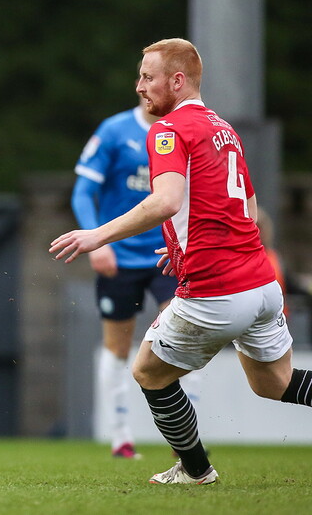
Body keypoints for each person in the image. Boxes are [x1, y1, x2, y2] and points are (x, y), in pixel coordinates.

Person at [51, 38, 312, 485]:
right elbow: (247, 209)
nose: (139, 86)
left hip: (218, 291)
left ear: (177, 80)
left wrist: (98, 234)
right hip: (262, 285)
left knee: (148, 372)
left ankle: (195, 471)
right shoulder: (224, 129)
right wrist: (188, 247)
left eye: (147, 77)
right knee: (274, 383)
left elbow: (165, 202)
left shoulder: (168, 130)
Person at [71, 93, 202, 459]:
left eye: (151, 78)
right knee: (117, 346)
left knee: (185, 340)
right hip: (120, 258)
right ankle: (121, 438)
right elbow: (83, 191)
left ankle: (186, 441)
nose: (146, 87)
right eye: (142, 78)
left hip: (169, 256)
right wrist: (97, 243)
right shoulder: (114, 131)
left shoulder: (184, 131)